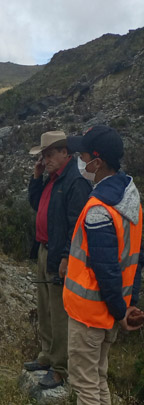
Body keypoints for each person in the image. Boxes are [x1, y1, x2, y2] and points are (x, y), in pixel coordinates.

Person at [63, 126, 144, 404]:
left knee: (85, 385)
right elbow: (136, 255)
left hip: (91, 314)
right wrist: (128, 301)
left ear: (97, 163)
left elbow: (106, 268)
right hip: (109, 310)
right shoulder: (130, 196)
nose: (80, 161)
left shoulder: (99, 208)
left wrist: (121, 310)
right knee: (98, 379)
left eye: (82, 156)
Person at [25, 131, 91, 389]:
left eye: (50, 153)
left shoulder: (75, 181)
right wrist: (37, 177)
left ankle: (60, 368)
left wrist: (65, 256)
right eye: (43, 154)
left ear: (66, 152)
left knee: (60, 312)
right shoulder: (52, 179)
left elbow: (77, 224)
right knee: (45, 307)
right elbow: (35, 204)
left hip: (60, 255)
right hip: (44, 250)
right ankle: (46, 355)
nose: (46, 158)